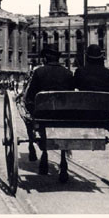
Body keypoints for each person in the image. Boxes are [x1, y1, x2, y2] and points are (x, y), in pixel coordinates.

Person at [23, 44, 74, 181]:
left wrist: (30, 109)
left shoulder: (39, 72)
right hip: (64, 115)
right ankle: (63, 163)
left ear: (45, 58)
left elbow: (30, 96)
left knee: (37, 118)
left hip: (43, 115)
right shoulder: (68, 73)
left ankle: (44, 155)